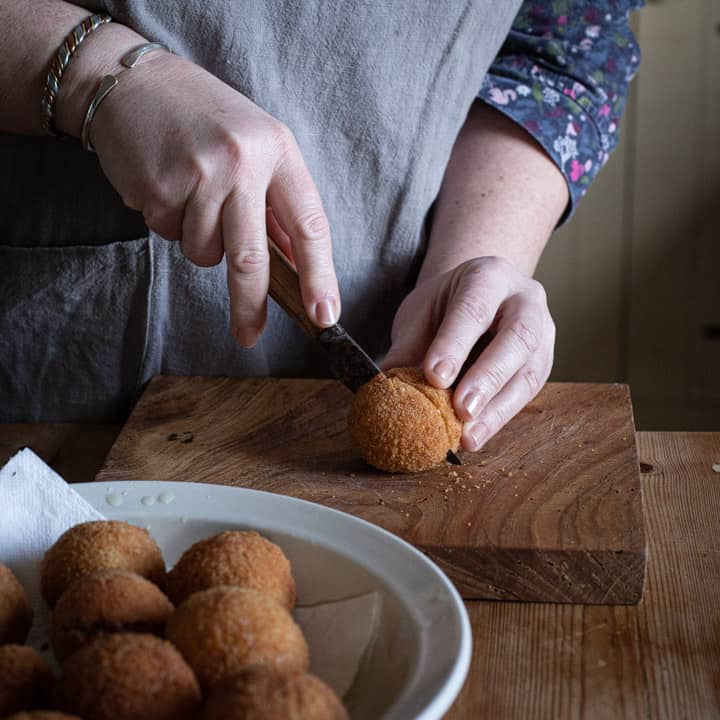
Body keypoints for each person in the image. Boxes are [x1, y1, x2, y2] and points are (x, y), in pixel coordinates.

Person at [0, 1, 642, 451]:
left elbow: (560, 48)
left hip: (382, 341)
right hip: (56, 395)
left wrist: (470, 263)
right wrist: (100, 76)